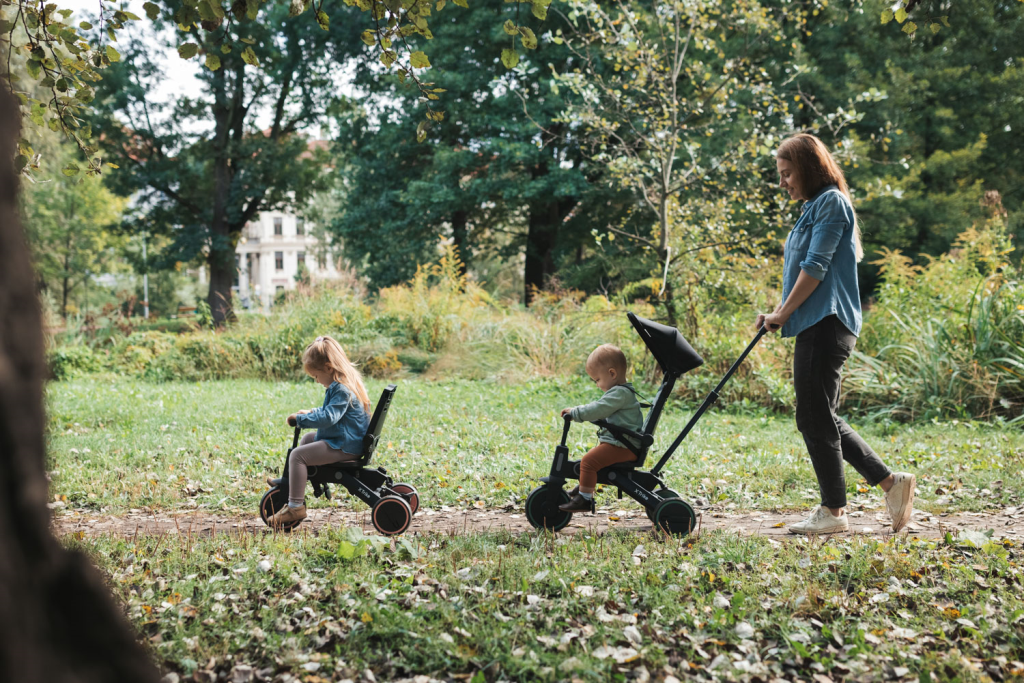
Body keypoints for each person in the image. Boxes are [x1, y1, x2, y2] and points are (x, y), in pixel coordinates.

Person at [759, 133, 915, 535]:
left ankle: (834, 512)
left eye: (787, 173)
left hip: (826, 324)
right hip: (818, 324)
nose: (782, 183)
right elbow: (806, 269)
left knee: (813, 416)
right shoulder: (815, 206)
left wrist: (782, 312)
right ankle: (890, 484)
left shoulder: (831, 202)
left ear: (809, 168)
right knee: (818, 415)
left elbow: (815, 268)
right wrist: (779, 314)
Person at [267, 335, 371, 528]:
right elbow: (331, 411)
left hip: (345, 445)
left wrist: (300, 419)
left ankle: (295, 507)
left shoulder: (341, 389)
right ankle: (292, 481)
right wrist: (311, 412)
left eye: (316, 376)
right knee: (307, 439)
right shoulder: (343, 383)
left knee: (298, 456)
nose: (316, 381)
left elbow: (329, 418)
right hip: (345, 438)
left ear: (328, 368)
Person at [558, 344, 644, 512]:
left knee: (588, 462)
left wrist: (576, 413)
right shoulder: (621, 393)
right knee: (591, 460)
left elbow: (598, 408)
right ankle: (585, 486)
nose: (597, 385)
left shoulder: (619, 393)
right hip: (623, 444)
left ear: (612, 373)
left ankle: (584, 499)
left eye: (597, 380)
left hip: (624, 447)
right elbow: (601, 409)